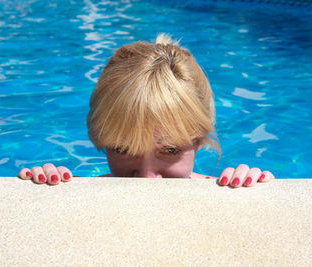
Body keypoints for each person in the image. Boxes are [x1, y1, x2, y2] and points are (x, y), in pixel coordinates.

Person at [18, 34, 274, 187]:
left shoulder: (217, 190)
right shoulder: (93, 192)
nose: (147, 178)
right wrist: (46, 188)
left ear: (199, 141)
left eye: (171, 150)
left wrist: (247, 190)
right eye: (123, 149)